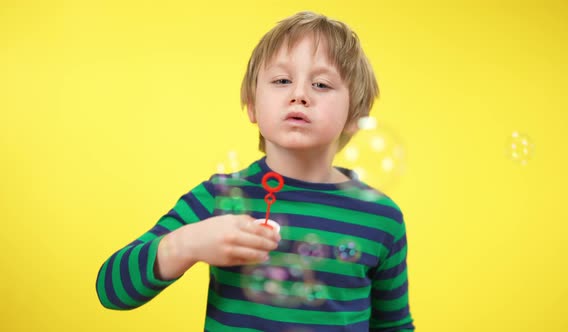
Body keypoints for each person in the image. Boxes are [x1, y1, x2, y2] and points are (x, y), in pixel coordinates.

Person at [96, 11, 415, 331]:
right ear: (251, 105)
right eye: (282, 80)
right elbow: (111, 289)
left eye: (321, 84)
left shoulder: (382, 217)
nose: (299, 95)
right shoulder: (217, 198)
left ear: (353, 115)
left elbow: (394, 326)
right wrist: (187, 243)